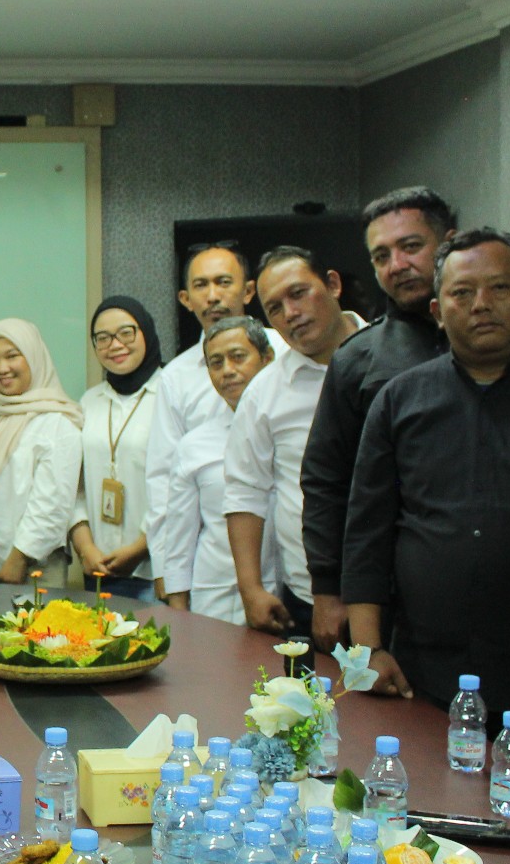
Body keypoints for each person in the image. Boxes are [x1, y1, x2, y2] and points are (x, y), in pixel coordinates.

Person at [341, 230, 510, 792]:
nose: (481, 304)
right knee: (433, 809)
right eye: (462, 293)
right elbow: (367, 530)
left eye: (499, 288)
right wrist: (368, 648)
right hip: (426, 673)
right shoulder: (400, 399)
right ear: (438, 312)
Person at [301, 187, 510, 647]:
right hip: (402, 598)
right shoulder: (358, 360)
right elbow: (327, 479)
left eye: (410, 247)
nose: (396, 265)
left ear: (448, 242)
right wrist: (328, 587)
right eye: (381, 256)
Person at [222, 247, 364, 635]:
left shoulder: (395, 357)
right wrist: (251, 589)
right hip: (309, 598)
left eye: (298, 293)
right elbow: (244, 491)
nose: (290, 313)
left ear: (332, 284)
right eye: (274, 308)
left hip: (400, 592)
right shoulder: (264, 393)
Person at [144, 242, 287, 598]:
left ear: (249, 290)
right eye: (201, 285)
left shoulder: (286, 351)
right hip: (213, 560)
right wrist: (166, 572)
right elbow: (163, 476)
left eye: (223, 282)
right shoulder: (176, 376)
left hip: (289, 555)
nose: (212, 296)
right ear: (185, 298)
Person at [158, 316, 279, 623]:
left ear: (267, 359)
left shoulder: (295, 431)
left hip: (288, 593)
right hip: (216, 597)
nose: (227, 370)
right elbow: (180, 537)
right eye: (216, 362)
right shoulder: (194, 445)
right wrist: (178, 609)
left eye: (238, 357)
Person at [0, 318, 84, 582]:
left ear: (34, 357)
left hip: (32, 567)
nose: (2, 368)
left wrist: (19, 558)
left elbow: (53, 503)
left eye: (12, 356)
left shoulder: (58, 421)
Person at [68, 296, 162, 600]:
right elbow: (74, 488)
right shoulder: (89, 401)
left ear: (146, 331)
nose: (115, 345)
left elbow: (180, 486)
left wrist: (140, 548)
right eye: (103, 338)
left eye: (126, 333)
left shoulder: (171, 394)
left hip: (154, 569)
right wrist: (86, 549)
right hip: (99, 569)